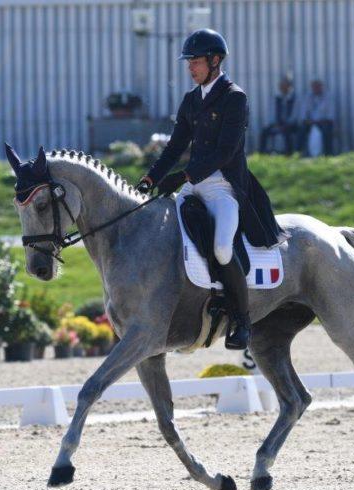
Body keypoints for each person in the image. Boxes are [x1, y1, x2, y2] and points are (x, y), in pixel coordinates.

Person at [136, 28, 286, 350]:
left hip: (222, 186)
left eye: (196, 62)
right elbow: (174, 147)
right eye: (189, 62)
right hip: (193, 185)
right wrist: (150, 179)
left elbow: (225, 152)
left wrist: (184, 177)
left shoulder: (235, 97)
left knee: (221, 248)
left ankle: (241, 320)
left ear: (215, 61)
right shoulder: (191, 100)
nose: (190, 68)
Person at [259, 75, 297, 154]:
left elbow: (295, 114)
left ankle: (289, 154)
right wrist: (275, 124)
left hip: (289, 124)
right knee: (264, 132)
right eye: (281, 86)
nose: (283, 88)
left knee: (287, 133)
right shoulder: (276, 98)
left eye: (285, 86)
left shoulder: (294, 99)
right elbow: (271, 113)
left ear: (289, 86)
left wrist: (286, 124)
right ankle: (262, 153)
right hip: (277, 123)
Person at [296, 79, 334, 156]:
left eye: (318, 86)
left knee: (326, 131)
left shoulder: (328, 97)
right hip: (310, 122)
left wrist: (319, 121)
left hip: (323, 122)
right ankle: (297, 153)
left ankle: (328, 154)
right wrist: (307, 120)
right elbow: (303, 112)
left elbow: (331, 115)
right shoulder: (307, 97)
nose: (316, 88)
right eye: (314, 87)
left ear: (321, 87)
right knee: (301, 130)